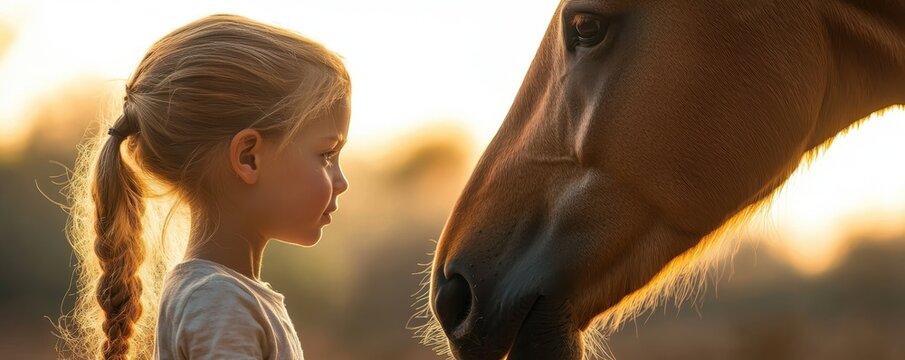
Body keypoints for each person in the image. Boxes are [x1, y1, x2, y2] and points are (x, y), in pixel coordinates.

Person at [58, 14, 350, 359]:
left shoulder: (224, 296)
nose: (341, 182)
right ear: (249, 157)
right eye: (326, 154)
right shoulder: (220, 303)